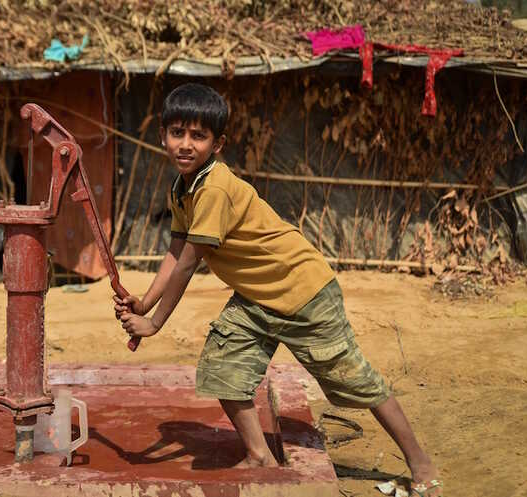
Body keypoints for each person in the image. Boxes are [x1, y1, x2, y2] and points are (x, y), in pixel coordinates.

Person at [114, 83, 443, 497]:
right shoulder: (183, 188)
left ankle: (420, 462)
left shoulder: (213, 188)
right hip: (257, 298)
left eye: (198, 136)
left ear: (218, 144)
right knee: (223, 368)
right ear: (162, 135)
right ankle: (258, 456)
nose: (185, 144)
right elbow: (176, 247)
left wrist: (155, 323)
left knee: (355, 381)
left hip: (303, 293)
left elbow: (189, 262)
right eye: (177, 133)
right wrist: (144, 302)